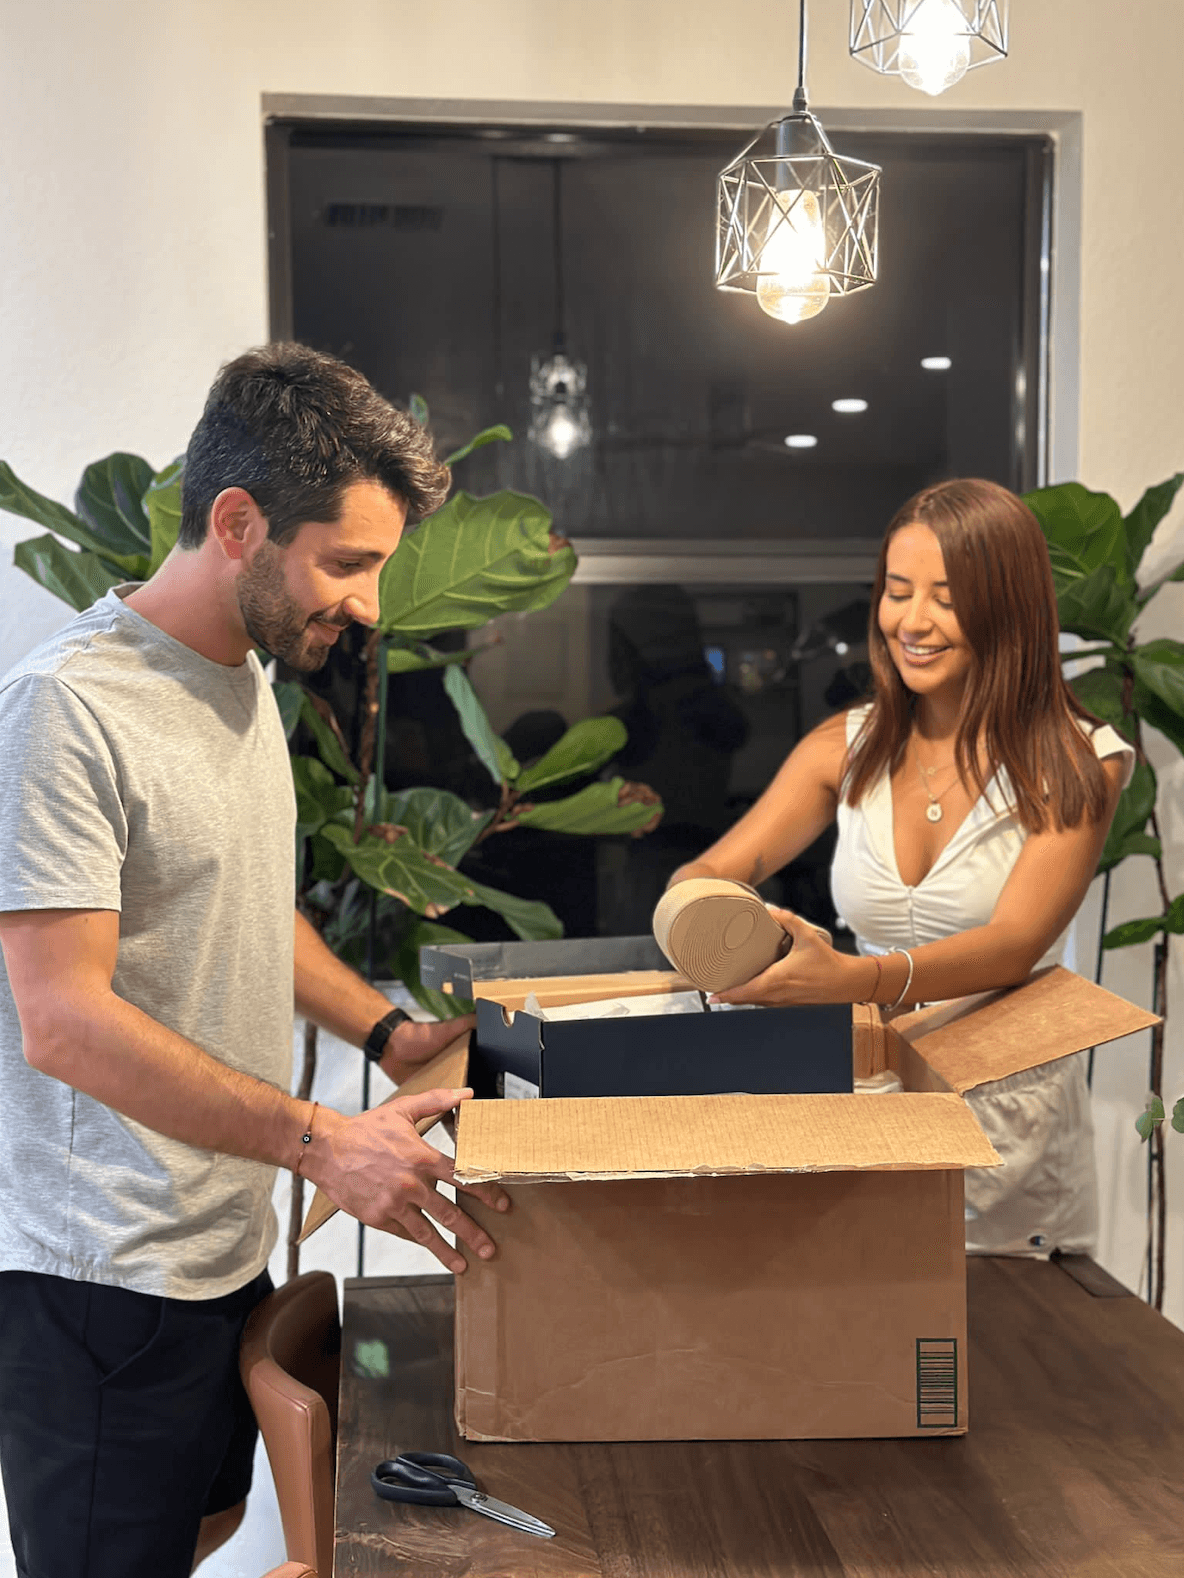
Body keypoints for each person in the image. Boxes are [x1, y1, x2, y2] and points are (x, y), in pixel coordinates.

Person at [0, 343, 509, 1578]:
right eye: (348, 563)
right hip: (106, 1277)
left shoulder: (238, 684)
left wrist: (389, 1037)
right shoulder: (67, 707)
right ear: (237, 523)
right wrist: (324, 1141)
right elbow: (60, 1020)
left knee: (208, 1531)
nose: (371, 605)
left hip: (221, 1237)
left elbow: (244, 905)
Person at [671, 477, 1131, 1259]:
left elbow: (1014, 945)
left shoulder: (1080, 760)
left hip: (1011, 1113)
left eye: (946, 598)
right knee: (865, 1349)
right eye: (896, 590)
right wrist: (732, 932)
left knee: (1000, 1363)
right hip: (869, 1090)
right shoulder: (844, 747)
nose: (911, 622)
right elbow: (711, 869)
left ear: (1008, 608)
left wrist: (846, 980)